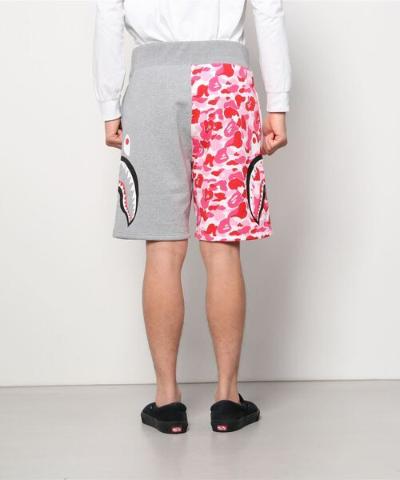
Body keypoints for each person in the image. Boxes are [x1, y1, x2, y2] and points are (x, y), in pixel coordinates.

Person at [93, 0, 291, 434]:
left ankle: (167, 401)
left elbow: (108, 13)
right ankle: (227, 399)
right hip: (226, 84)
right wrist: (277, 102)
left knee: (162, 247)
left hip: (152, 84)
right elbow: (268, 10)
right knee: (222, 247)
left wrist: (109, 104)